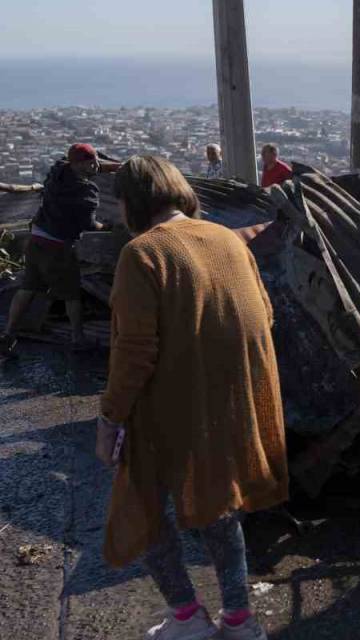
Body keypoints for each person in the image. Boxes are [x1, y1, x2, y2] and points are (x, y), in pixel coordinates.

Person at [97, 155, 286, 640]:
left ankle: (187, 617)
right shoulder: (228, 239)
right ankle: (239, 620)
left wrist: (110, 418)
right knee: (220, 509)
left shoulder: (142, 253)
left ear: (132, 201)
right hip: (228, 408)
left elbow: (133, 352)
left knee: (143, 508)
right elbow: (263, 318)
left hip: (165, 413)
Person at [1, 143, 109, 357]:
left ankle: (9, 334)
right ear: (79, 165)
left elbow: (73, 162)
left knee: (28, 287)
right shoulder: (85, 190)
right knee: (72, 294)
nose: (96, 165)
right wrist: (108, 227)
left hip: (36, 240)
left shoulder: (57, 173)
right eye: (92, 163)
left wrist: (113, 166)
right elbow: (88, 223)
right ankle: (78, 339)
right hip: (58, 248)